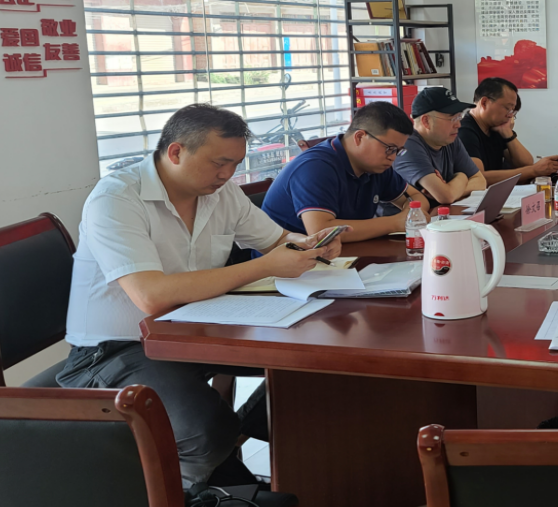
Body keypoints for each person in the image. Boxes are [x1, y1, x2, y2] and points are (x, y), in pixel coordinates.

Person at [58, 104, 345, 486]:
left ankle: (243, 457)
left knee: (317, 366)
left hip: (196, 329)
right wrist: (264, 266)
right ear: (176, 152)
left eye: (235, 164)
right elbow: (151, 296)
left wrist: (310, 244)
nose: (227, 175)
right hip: (118, 348)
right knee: (204, 432)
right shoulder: (117, 198)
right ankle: (184, 500)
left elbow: (277, 240)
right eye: (219, 163)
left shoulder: (221, 194)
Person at [261, 101, 415, 242]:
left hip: (342, 253)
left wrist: (410, 215)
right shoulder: (316, 167)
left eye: (398, 151)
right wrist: (394, 223)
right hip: (286, 259)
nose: (393, 157)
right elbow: (321, 231)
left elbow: (415, 197)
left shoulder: (376, 166)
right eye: (390, 148)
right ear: (359, 137)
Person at [394, 86, 487, 206]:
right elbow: (445, 196)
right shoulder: (407, 145)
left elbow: (480, 181)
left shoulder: (449, 139)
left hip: (438, 213)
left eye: (459, 117)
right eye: (452, 118)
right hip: (410, 217)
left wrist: (452, 188)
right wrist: (462, 176)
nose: (458, 125)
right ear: (426, 121)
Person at [458, 76, 558, 185]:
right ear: (484, 103)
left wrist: (507, 133)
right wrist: (533, 170)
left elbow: (525, 164)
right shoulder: (464, 131)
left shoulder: (494, 127)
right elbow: (478, 177)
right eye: (508, 108)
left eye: (512, 111)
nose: (510, 115)